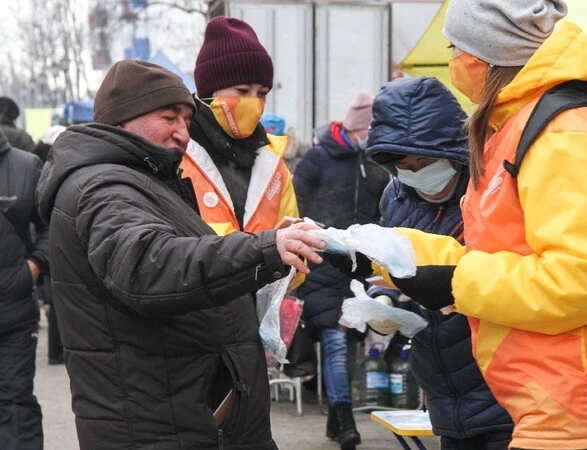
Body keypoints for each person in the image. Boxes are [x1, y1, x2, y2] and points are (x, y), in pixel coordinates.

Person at [340, 1, 587, 449]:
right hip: (549, 396)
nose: (453, 61)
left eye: (455, 48)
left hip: (576, 405)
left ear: (487, 52)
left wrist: (454, 282)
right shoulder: (522, 126)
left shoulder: (560, 133)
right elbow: (498, 253)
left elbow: (576, 283)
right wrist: (390, 252)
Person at [35, 59, 326, 449]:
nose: (183, 133)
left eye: (188, 120)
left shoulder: (142, 179)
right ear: (121, 120)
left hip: (183, 421)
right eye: (169, 118)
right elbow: (149, 266)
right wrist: (263, 249)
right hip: (160, 429)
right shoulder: (103, 188)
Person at [364, 76, 514, 450]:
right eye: (404, 163)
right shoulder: (395, 197)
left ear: (453, 151)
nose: (417, 171)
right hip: (442, 387)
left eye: (426, 160)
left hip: (502, 384)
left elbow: (512, 274)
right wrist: (386, 301)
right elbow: (392, 261)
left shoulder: (491, 191)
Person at [292, 90, 389, 450]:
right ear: (353, 129)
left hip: (360, 266)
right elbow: (294, 205)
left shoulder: (376, 162)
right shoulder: (317, 159)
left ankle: (336, 417)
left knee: (349, 341)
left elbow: (386, 209)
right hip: (323, 262)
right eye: (367, 131)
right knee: (334, 339)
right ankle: (346, 419)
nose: (370, 137)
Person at [181, 17, 299, 239]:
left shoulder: (273, 161)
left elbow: (293, 241)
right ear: (209, 92)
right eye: (243, 91)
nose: (254, 101)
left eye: (262, 93)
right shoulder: (176, 153)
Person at [0, 126, 47, 449]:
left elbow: (51, 226)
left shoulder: (25, 165)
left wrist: (34, 266)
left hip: (14, 312)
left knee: (16, 404)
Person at [32, 125, 67, 365]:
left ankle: (56, 351)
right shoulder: (58, 166)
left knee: (56, 295)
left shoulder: (42, 165)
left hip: (51, 235)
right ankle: (57, 351)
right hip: (57, 234)